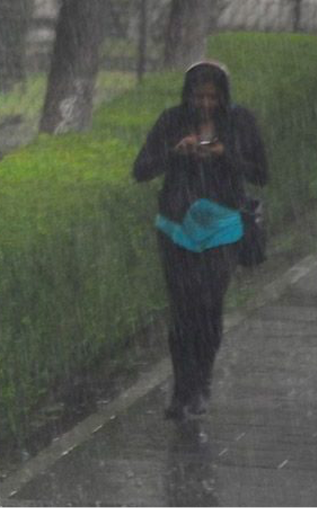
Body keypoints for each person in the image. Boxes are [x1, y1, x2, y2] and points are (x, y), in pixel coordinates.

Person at [132, 61, 267, 421]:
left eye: (212, 97)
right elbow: (141, 170)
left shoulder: (240, 123)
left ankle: (201, 382)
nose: (205, 104)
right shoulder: (170, 121)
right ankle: (182, 389)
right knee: (182, 312)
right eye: (198, 96)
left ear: (223, 97)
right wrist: (175, 152)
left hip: (222, 228)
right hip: (177, 228)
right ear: (187, 96)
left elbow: (261, 172)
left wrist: (225, 156)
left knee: (208, 307)